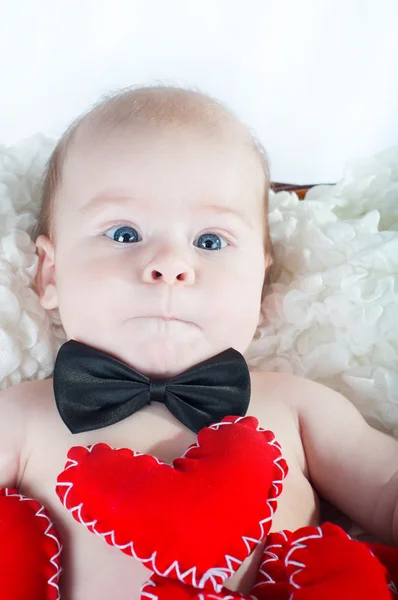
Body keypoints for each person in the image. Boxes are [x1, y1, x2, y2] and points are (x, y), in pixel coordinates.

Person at [1, 84, 398, 600]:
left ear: (259, 283)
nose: (169, 265)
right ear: (50, 274)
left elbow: (388, 490)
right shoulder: (22, 416)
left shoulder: (297, 404)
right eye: (124, 233)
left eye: (210, 241)